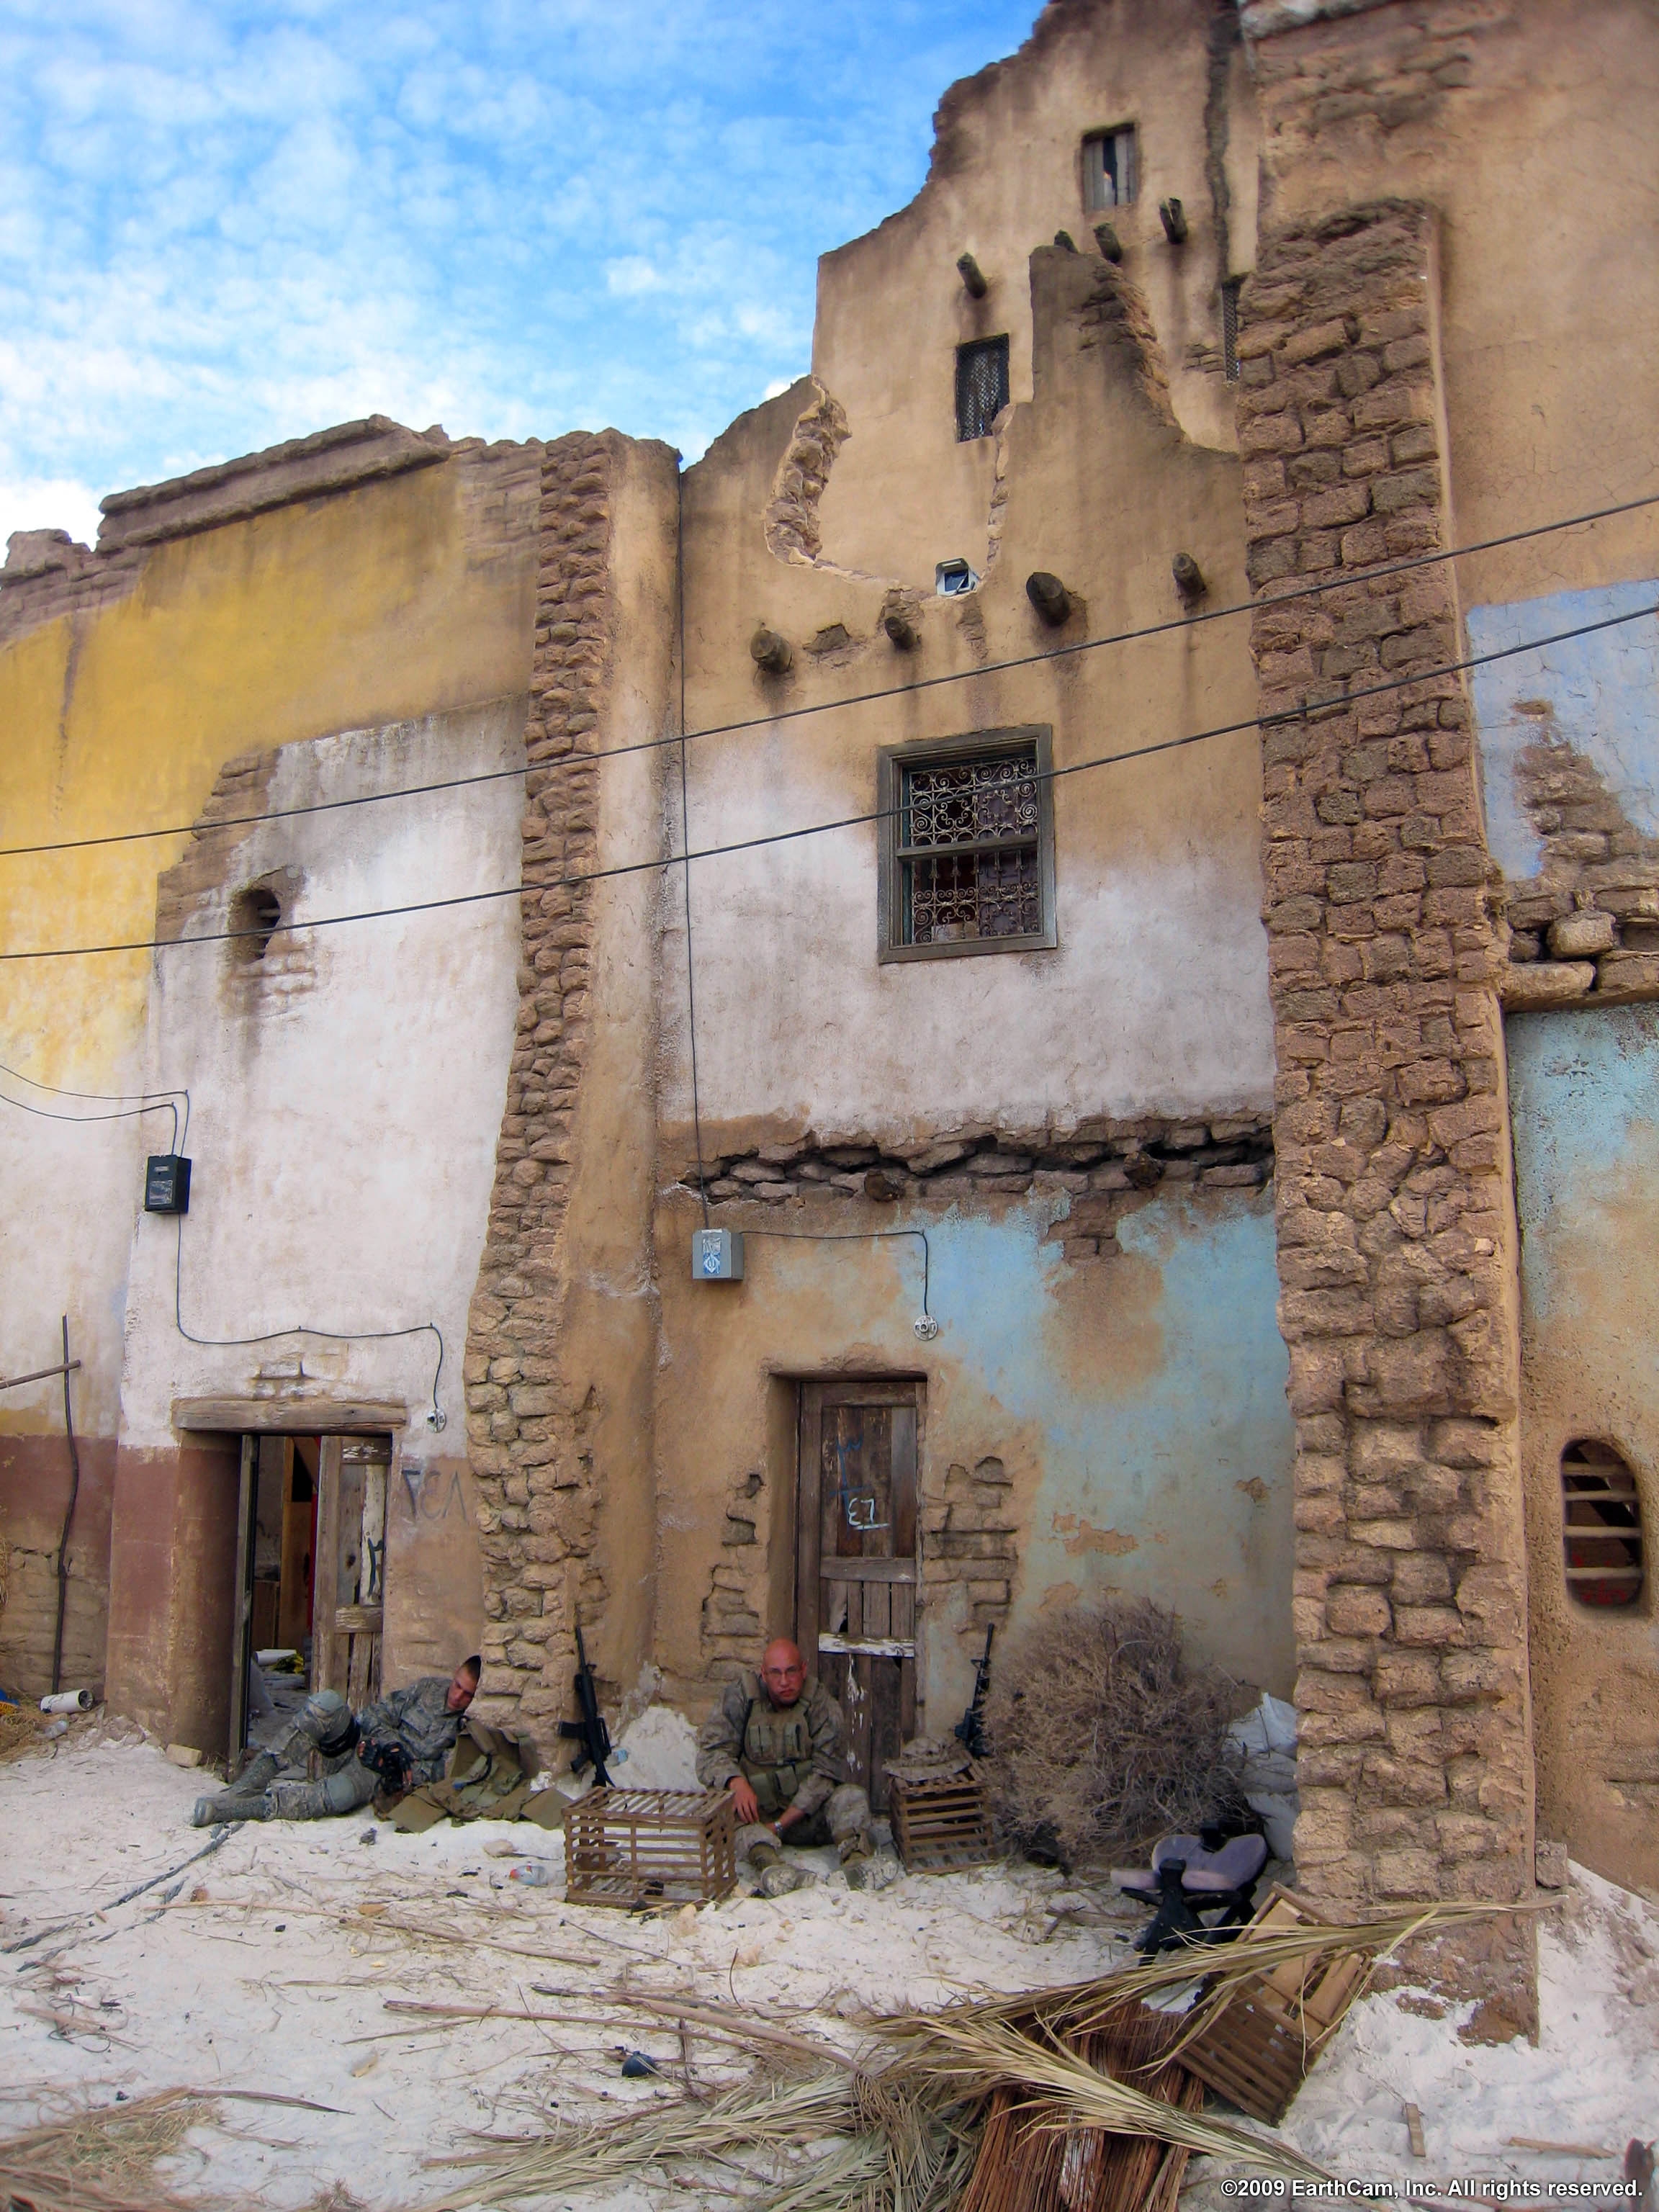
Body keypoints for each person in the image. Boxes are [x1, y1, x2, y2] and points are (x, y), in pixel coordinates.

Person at [190, 1655, 481, 1827]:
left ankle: (241, 1810)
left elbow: (438, 1775)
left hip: (376, 1776)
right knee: (326, 1703)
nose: (457, 1696)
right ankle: (246, 1787)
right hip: (360, 1743)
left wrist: (393, 1763)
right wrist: (390, 1745)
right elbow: (373, 1715)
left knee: (338, 1796)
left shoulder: (464, 1730)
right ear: (454, 1676)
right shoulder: (429, 1689)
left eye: (467, 1694)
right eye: (457, 1685)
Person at [695, 1637, 885, 1896]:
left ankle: (856, 1862)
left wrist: (781, 1825)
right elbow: (711, 1753)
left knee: (852, 1797)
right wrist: (735, 1782)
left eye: (791, 1671)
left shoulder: (822, 1705)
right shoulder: (740, 1697)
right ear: (763, 1674)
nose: (784, 1682)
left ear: (803, 1670)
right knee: (719, 1811)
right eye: (776, 1673)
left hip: (807, 1818)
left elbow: (825, 1775)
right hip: (756, 1817)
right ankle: (770, 1865)